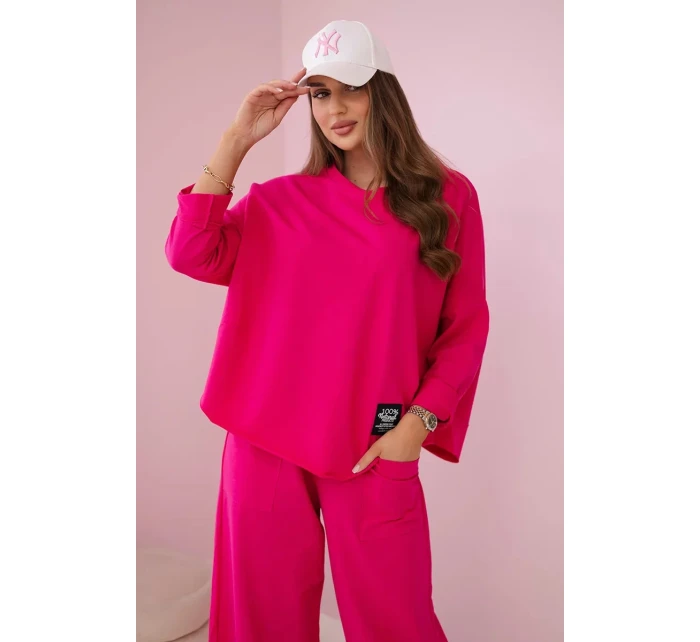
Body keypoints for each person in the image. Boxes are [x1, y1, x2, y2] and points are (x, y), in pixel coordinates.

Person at [165, 19, 489, 642]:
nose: (334, 109)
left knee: (395, 617)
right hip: (264, 435)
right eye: (319, 93)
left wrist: (417, 424)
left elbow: (465, 326)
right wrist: (237, 138)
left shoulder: (447, 198)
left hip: (376, 434)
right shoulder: (278, 202)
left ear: (382, 91)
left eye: (351, 89)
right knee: (261, 620)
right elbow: (191, 251)